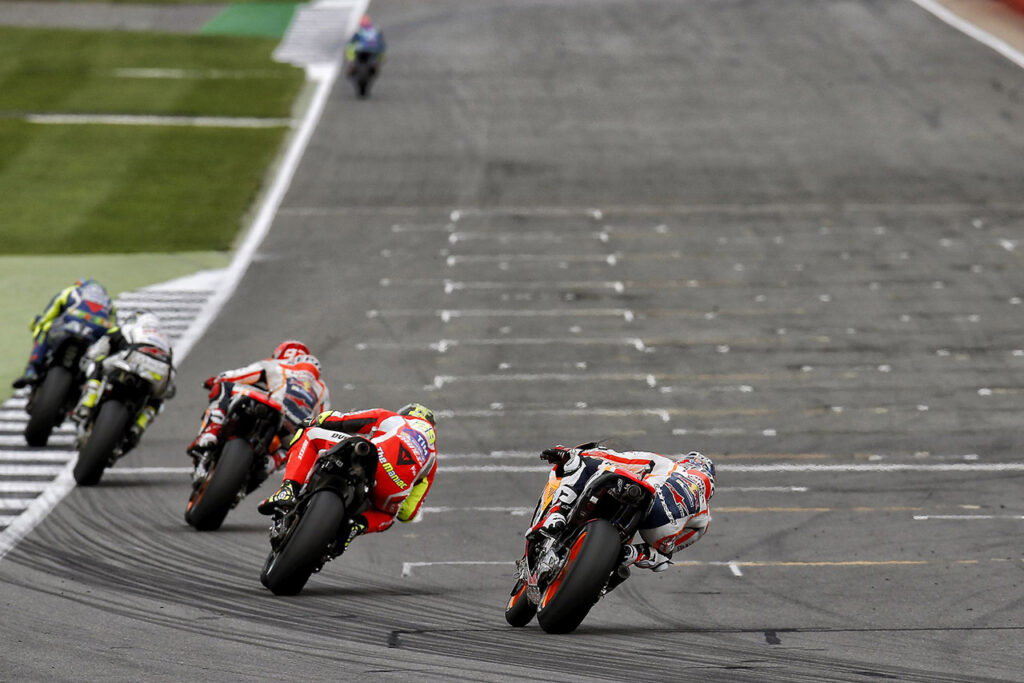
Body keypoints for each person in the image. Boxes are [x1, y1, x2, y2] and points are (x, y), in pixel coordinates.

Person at [258, 403, 437, 550]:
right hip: (392, 489)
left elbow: (343, 420)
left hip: (374, 457)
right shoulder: (432, 459)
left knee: (310, 434)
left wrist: (315, 421)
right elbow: (407, 513)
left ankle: (288, 489)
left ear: (407, 414)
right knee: (388, 517)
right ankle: (356, 526)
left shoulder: (394, 418)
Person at [528, 443, 715, 575]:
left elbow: (618, 458)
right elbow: (676, 545)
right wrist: (656, 552)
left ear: (687, 463)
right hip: (660, 531)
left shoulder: (671, 466)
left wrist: (571, 453)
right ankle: (629, 555)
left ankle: (558, 515)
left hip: (649, 498)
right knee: (662, 557)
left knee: (584, 462)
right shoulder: (704, 514)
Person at [187, 340, 330, 476]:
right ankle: (271, 464)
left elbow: (237, 375)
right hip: (296, 427)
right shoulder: (322, 388)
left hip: (273, 404)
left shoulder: (276, 365)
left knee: (224, 387)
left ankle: (211, 432)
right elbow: (322, 423)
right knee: (295, 446)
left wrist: (216, 380)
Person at [71, 310, 176, 450]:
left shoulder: (130, 328)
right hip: (160, 371)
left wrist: (91, 356)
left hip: (132, 359)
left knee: (98, 363)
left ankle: (88, 401)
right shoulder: (166, 342)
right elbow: (171, 385)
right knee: (157, 399)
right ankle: (140, 425)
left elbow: (100, 348)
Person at [12, 278, 116, 389]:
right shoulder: (109, 302)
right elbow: (114, 329)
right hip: (100, 327)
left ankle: (31, 370)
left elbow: (52, 310)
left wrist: (38, 323)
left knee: (44, 327)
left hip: (75, 318)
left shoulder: (74, 290)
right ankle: (91, 383)